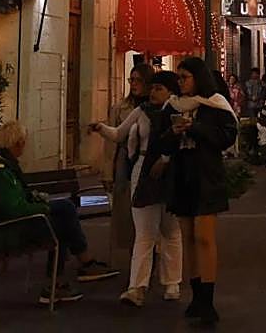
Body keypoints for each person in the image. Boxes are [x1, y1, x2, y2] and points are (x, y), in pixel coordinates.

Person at [0, 120, 119, 304]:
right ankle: (57, 283)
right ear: (18, 143)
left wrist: (37, 200)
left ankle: (83, 263)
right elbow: (14, 209)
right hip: (1, 231)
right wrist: (43, 207)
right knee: (61, 224)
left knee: (65, 207)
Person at [91, 71, 183, 307]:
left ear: (171, 92)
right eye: (152, 88)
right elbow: (119, 133)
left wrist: (166, 158)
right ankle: (136, 287)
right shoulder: (141, 112)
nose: (152, 92)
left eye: (159, 88)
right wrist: (100, 128)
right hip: (142, 171)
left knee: (170, 230)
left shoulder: (180, 112)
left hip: (171, 173)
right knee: (144, 232)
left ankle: (172, 282)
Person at [159, 56, 238, 326]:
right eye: (178, 78)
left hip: (206, 177)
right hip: (182, 176)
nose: (180, 83)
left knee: (204, 237)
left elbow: (226, 137)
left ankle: (208, 298)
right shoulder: (172, 106)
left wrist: (197, 127)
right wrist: (173, 131)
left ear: (198, 78)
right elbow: (163, 143)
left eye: (185, 77)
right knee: (188, 237)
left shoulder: (214, 104)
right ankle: (195, 296)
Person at [96, 62, 153, 253]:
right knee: (126, 211)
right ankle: (132, 251)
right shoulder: (120, 107)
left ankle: (149, 252)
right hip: (124, 163)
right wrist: (107, 173)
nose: (134, 84)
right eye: (132, 79)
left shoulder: (157, 107)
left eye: (138, 80)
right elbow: (111, 142)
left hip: (146, 161)